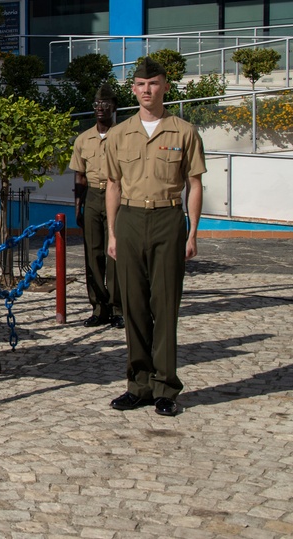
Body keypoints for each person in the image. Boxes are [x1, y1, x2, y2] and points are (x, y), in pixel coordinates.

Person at [105, 57, 206, 417]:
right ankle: (138, 384)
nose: (147, 90)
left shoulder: (184, 131)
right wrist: (113, 233)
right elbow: (113, 186)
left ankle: (165, 387)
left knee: (165, 306)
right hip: (131, 219)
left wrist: (192, 233)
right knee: (132, 305)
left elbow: (194, 184)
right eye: (140, 84)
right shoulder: (119, 134)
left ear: (165, 86)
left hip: (167, 218)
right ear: (133, 89)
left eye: (154, 83)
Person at [70, 84, 123, 329]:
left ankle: (119, 308)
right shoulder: (83, 139)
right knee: (93, 255)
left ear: (114, 108)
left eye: (106, 104)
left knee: (116, 255)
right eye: (97, 105)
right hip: (92, 196)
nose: (101, 109)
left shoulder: (123, 135)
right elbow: (79, 176)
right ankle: (99, 308)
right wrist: (78, 206)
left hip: (118, 195)